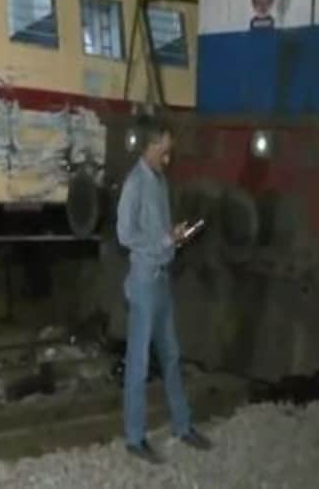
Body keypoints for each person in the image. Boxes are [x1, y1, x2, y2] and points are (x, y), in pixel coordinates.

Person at [115, 116, 212, 464]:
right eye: (164, 151)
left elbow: (155, 232)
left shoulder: (159, 182)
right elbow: (124, 235)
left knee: (171, 356)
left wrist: (175, 236)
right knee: (139, 364)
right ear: (149, 145)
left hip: (160, 279)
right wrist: (163, 239)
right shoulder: (135, 184)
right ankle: (134, 437)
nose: (168, 159)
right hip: (143, 282)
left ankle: (182, 425)